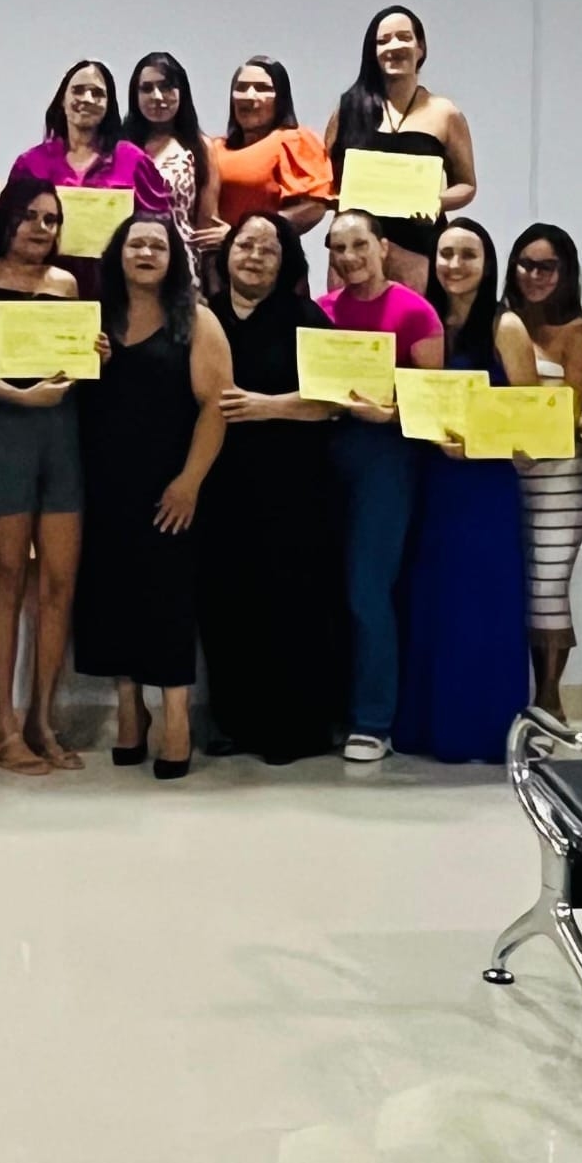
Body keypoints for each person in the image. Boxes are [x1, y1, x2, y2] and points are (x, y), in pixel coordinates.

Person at [0, 175, 109, 775]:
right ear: (8, 218)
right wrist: (22, 397)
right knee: (9, 578)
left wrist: (95, 354)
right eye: (31, 216)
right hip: (4, 434)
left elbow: (74, 364)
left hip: (62, 436)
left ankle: (43, 719)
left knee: (60, 584)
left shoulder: (67, 285)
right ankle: (2, 726)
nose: (41, 228)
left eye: (52, 219)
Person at [74, 214, 228, 780]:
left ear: (172, 259)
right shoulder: (92, 322)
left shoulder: (197, 319)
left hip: (171, 485)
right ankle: (128, 708)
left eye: (157, 246)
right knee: (110, 595)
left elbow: (216, 406)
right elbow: (61, 391)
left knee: (167, 598)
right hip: (102, 482)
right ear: (117, 255)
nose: (145, 253)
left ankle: (176, 717)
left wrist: (190, 482)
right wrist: (84, 364)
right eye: (135, 244)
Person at [202, 213, 345, 763]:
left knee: (290, 605)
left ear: (286, 263)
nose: (255, 257)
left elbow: (334, 400)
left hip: (293, 490)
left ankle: (292, 730)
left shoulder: (307, 319)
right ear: (227, 253)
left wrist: (267, 406)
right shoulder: (204, 314)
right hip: (220, 486)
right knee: (226, 603)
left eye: (269, 250)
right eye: (246, 245)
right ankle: (233, 722)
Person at [394, 219, 537, 764]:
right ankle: (429, 725)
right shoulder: (422, 319)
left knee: (481, 603)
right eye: (446, 254)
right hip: (431, 480)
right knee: (432, 600)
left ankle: (481, 729)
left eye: (468, 255)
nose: (455, 266)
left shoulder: (506, 326)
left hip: (484, 485)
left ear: (488, 264)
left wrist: (477, 444)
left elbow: (529, 418)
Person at [320, 210, 445, 762]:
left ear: (384, 247)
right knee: (327, 589)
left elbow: (434, 405)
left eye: (359, 245)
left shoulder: (414, 312)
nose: (349, 257)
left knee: (367, 590)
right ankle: (331, 708)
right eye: (338, 248)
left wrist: (388, 415)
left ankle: (374, 720)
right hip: (324, 457)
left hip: (386, 460)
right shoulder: (321, 312)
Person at [502, 223, 582, 718]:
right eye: (526, 264)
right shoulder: (498, 321)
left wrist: (534, 442)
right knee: (514, 585)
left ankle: (550, 701)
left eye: (547, 266)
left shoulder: (576, 331)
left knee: (547, 589)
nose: (535, 275)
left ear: (566, 272)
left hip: (559, 477)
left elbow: (573, 409)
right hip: (502, 475)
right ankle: (518, 696)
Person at [326, 6, 477, 291]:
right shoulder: (349, 108)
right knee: (348, 321)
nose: (394, 47)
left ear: (421, 48)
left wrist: (435, 202)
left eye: (404, 37)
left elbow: (467, 185)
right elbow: (325, 179)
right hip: (353, 251)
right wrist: (337, 198)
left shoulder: (445, 113)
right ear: (373, 52)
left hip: (417, 246)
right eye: (383, 41)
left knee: (413, 319)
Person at [8, 59, 171, 297]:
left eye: (97, 93)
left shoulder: (134, 161)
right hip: (43, 294)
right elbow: (7, 231)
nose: (87, 99)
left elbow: (160, 227)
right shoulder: (31, 163)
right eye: (78, 90)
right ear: (62, 100)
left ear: (108, 104)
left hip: (118, 296)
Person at [121, 52, 222, 275]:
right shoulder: (119, 146)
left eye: (166, 87)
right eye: (146, 88)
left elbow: (207, 227)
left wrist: (212, 284)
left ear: (182, 91)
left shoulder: (199, 147)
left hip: (181, 268)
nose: (157, 96)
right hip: (126, 265)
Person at [210, 56, 334, 235]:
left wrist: (252, 232)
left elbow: (314, 207)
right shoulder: (214, 148)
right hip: (216, 251)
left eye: (262, 88)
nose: (249, 96)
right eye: (241, 88)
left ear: (281, 98)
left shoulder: (294, 140)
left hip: (269, 249)